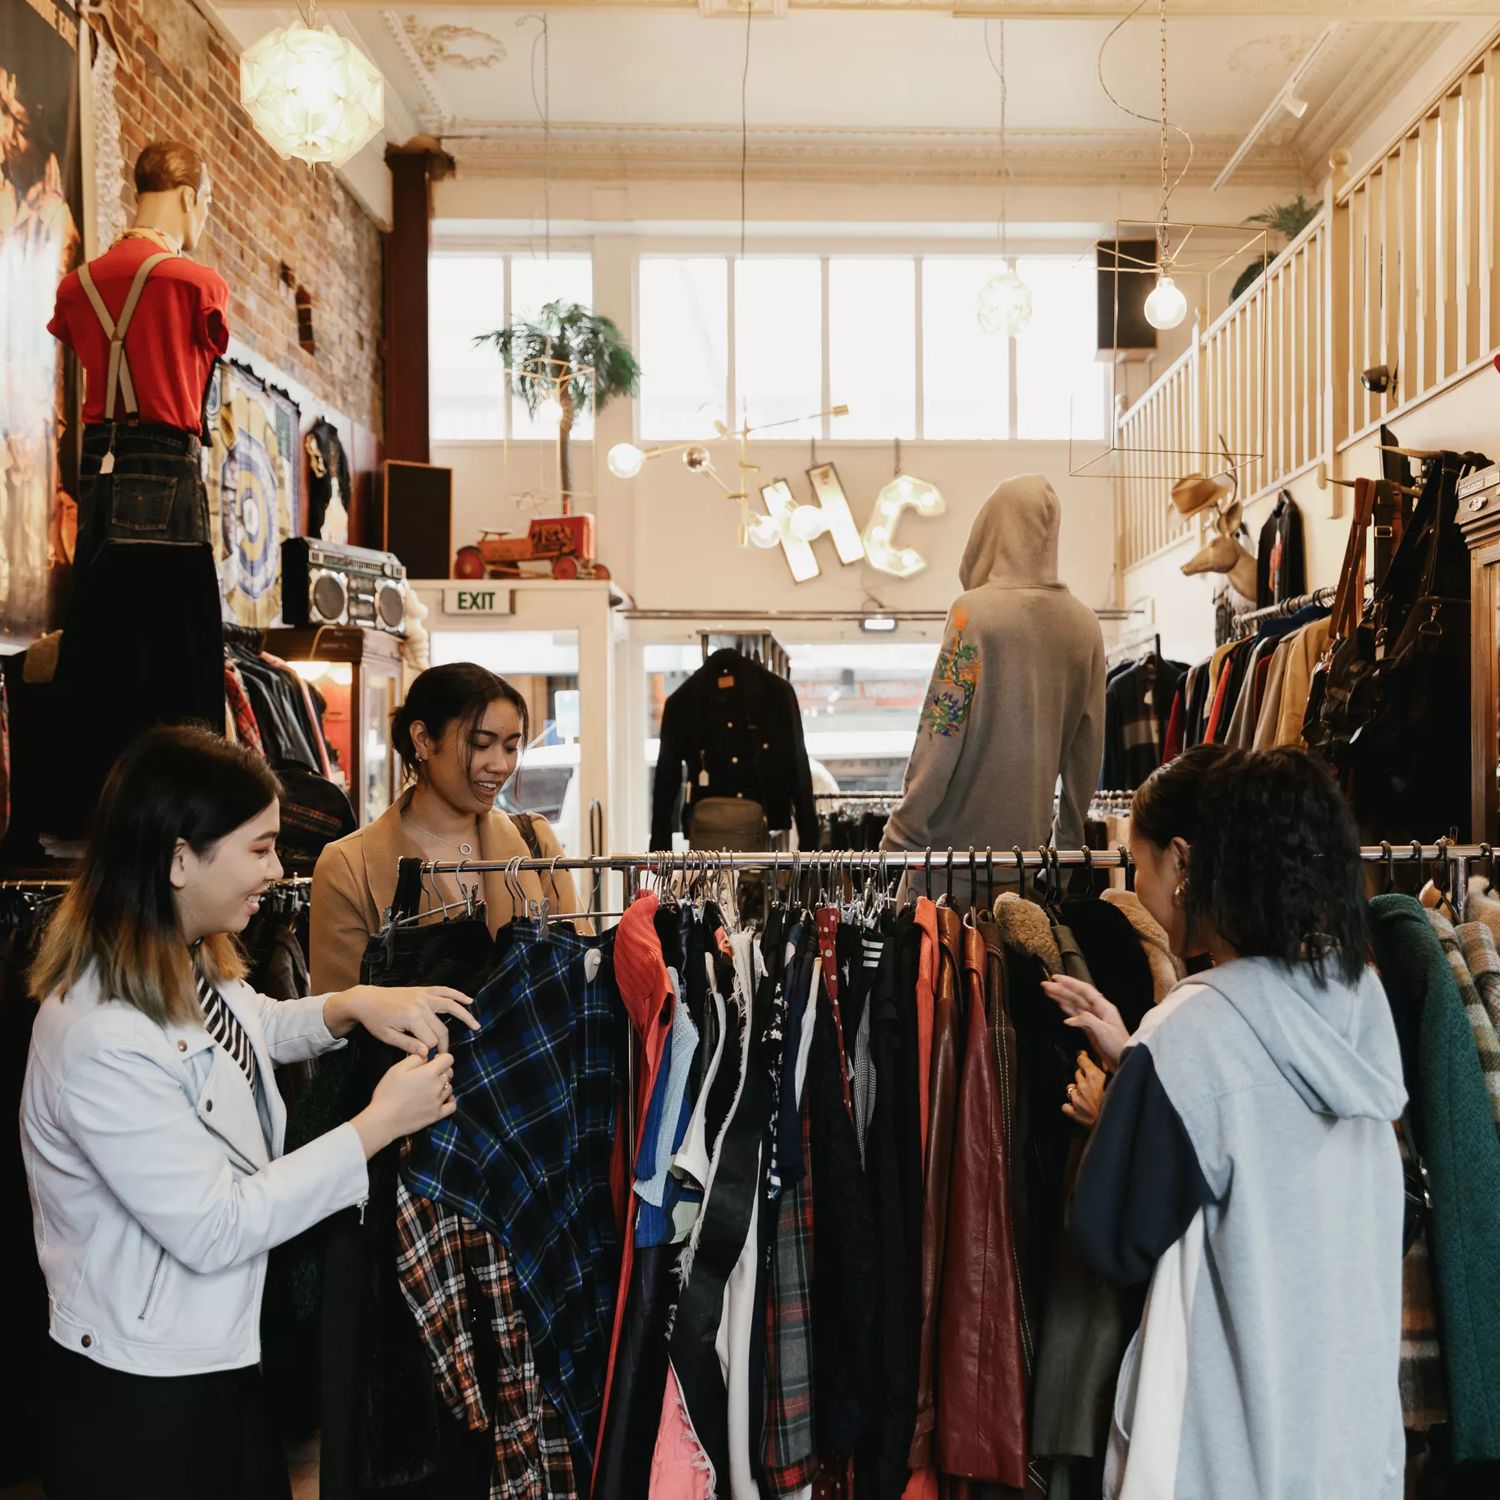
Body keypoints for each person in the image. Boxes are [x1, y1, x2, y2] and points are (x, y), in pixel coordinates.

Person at [21, 726, 478, 1500]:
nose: (279, 870)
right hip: (145, 1390)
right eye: (260, 849)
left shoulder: (182, 959)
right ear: (176, 860)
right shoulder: (102, 1034)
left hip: (218, 1355)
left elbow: (252, 1026)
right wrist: (375, 1124)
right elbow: (214, 1225)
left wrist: (348, 1005)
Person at [1045, 746, 1406, 1500]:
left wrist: (1125, 1091)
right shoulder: (1357, 1004)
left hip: (1225, 1455)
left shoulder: (1191, 1035)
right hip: (1351, 1450)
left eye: (1136, 866)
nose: (1136, 890)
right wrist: (1138, 1058)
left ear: (1184, 863)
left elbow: (1111, 1236)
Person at [47, 140, 230, 836]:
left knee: (101, 651)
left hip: (101, 476)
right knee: (181, 660)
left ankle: (93, 819)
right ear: (188, 196)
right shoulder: (196, 282)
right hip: (171, 475)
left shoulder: (77, 286)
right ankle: (187, 816)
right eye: (205, 203)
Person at [883, 474, 1105, 906]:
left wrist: (900, 835)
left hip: (943, 869)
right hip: (1024, 870)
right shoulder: (1085, 626)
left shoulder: (973, 615)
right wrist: (1066, 849)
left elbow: (941, 733)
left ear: (992, 528)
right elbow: (1087, 752)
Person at [311, 661, 584, 992]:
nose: (501, 765)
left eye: (511, 747)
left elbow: (576, 976)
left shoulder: (534, 841)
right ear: (423, 739)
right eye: (481, 744)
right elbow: (340, 1016)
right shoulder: (348, 865)